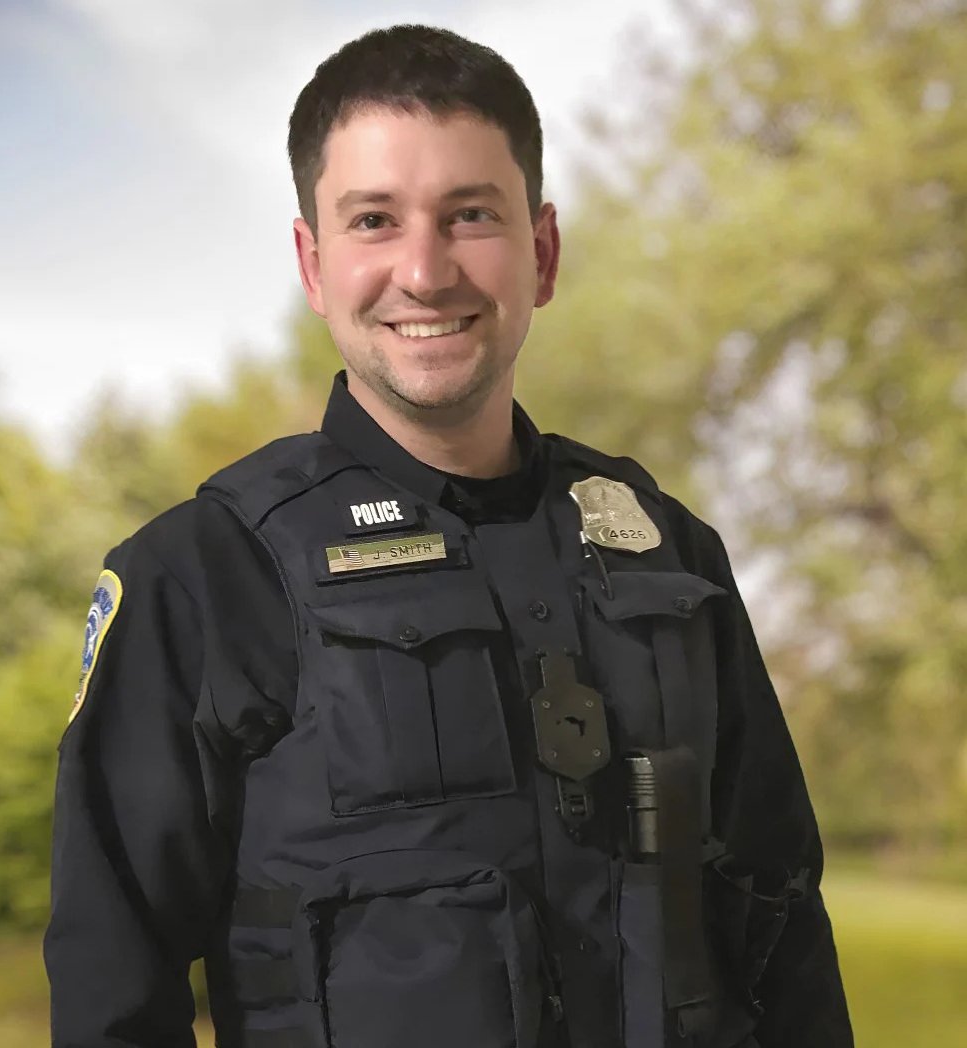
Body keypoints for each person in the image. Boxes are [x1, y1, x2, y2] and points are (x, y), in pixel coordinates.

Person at [44, 24, 854, 1048]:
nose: (424, 272)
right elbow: (114, 987)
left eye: (469, 215)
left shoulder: (668, 553)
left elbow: (781, 916)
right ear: (313, 261)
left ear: (541, 250)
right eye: (374, 220)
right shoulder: (201, 577)